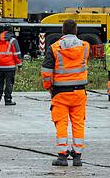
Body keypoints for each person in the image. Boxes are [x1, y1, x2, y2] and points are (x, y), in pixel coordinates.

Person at [41, 19, 89, 167]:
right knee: (78, 123)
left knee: (61, 123)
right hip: (80, 92)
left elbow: (47, 72)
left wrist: (48, 87)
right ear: (76, 30)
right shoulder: (85, 47)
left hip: (60, 93)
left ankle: (62, 157)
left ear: (62, 30)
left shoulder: (54, 48)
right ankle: (77, 157)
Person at [0, 25, 22, 106]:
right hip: (10, 66)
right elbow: (17, 54)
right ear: (11, 31)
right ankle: (8, 100)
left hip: (0, 66)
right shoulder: (13, 40)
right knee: (9, 83)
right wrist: (19, 65)